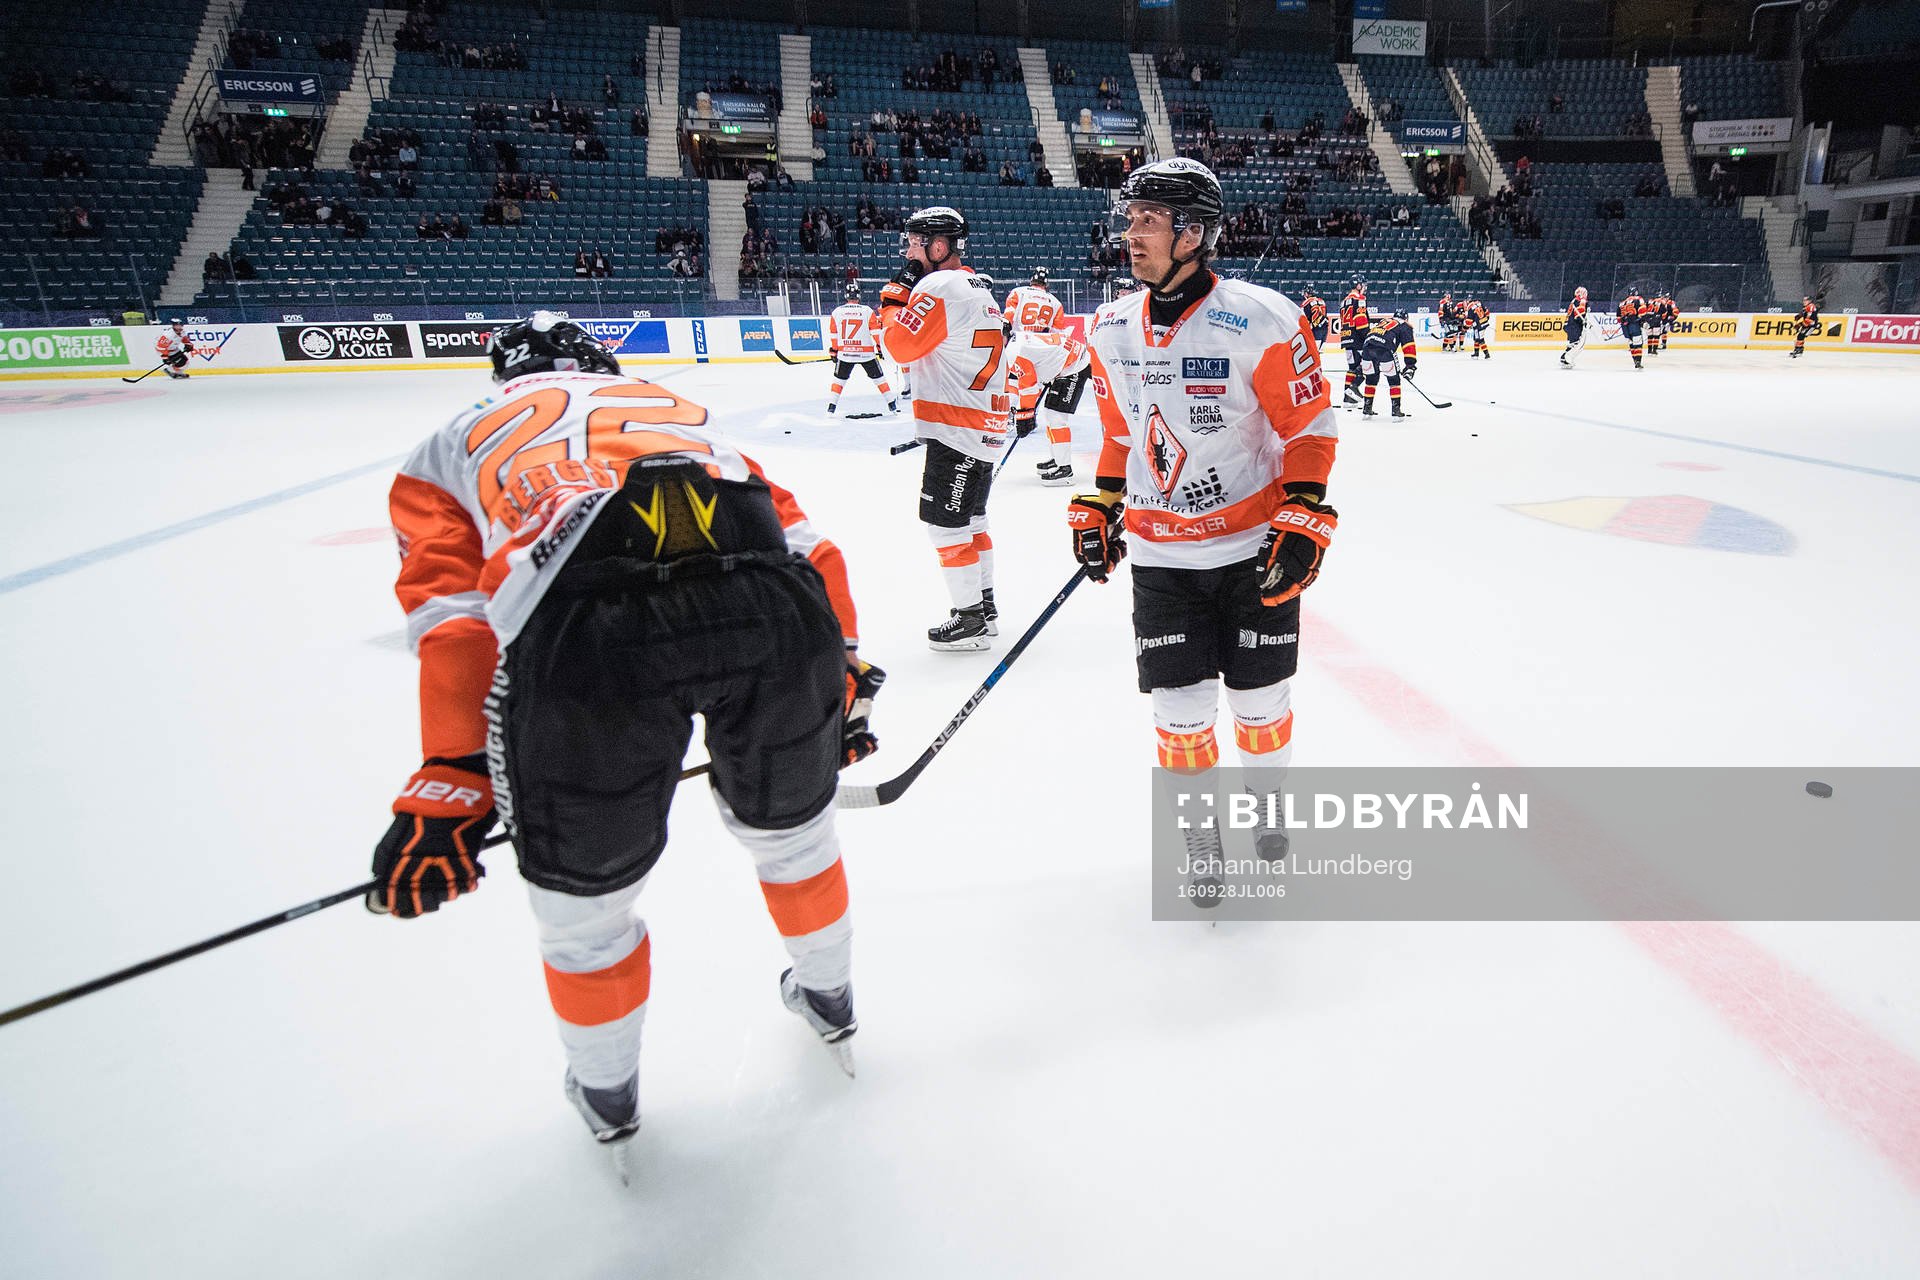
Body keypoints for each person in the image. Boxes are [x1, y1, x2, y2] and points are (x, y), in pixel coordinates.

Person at [371, 313, 883, 1162]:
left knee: (584, 910)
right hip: (771, 606)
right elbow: (811, 549)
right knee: (796, 837)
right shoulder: (672, 407)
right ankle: (832, 999)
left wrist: (453, 774)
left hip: (587, 628)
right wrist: (845, 676)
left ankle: (607, 1091)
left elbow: (454, 621)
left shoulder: (448, 441)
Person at [1069, 157, 1338, 873]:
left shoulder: (1261, 318)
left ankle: (1267, 802)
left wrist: (1305, 510)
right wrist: (1103, 500)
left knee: (1260, 702)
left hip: (1252, 550)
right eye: (1131, 219)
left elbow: (1309, 430)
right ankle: (1200, 832)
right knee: (1179, 712)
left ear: (1192, 234)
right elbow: (1121, 435)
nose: (1132, 234)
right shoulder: (1110, 328)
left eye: (1149, 221)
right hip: (1162, 556)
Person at [877, 206, 1083, 650]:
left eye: (913, 243)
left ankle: (969, 618)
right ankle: (983, 610)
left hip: (956, 426)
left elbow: (899, 347)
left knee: (945, 527)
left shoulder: (939, 286)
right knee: (972, 521)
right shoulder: (978, 288)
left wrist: (893, 302)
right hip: (983, 425)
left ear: (938, 246)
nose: (908, 252)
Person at [1002, 266, 1074, 485]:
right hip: (1042, 351)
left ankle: (1064, 467)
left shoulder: (1018, 292)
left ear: (1031, 281)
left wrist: (1025, 413)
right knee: (1045, 406)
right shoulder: (1055, 302)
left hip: (1028, 348)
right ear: (1047, 284)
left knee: (1019, 385)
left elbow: (1008, 318)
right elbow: (1058, 335)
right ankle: (1058, 460)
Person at [826, 283, 898, 416]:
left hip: (846, 354)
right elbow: (876, 333)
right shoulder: (867, 311)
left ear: (846, 296)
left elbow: (834, 335)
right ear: (859, 295)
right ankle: (892, 405)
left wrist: (834, 351)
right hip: (866, 354)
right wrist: (880, 349)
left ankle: (831, 407)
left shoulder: (837, 312)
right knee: (880, 379)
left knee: (839, 381)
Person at [1358, 311, 1418, 418]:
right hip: (1384, 349)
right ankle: (1396, 411)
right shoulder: (1405, 325)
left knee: (1371, 379)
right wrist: (1410, 365)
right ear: (1406, 318)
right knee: (1394, 380)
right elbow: (1408, 346)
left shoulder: (1383, 321)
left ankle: (1367, 408)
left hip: (1367, 348)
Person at [1337, 281, 1369, 404]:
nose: (1364, 287)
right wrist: (1367, 336)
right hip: (1357, 338)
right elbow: (1360, 320)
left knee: (1352, 368)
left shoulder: (1344, 301)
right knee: (1368, 364)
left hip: (1346, 337)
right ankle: (1353, 388)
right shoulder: (1360, 298)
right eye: (1363, 284)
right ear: (1358, 285)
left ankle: (1347, 398)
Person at [1617, 285, 1647, 369]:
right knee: (1638, 344)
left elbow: (1619, 318)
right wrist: (1643, 321)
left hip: (1625, 326)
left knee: (1631, 344)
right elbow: (1642, 310)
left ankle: (1635, 360)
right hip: (1634, 324)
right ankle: (1638, 362)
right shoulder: (1639, 299)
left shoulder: (1621, 303)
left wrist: (1625, 320)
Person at [1561, 286, 1589, 369]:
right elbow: (1579, 316)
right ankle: (1566, 359)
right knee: (1575, 343)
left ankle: (1564, 358)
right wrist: (1584, 322)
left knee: (1573, 343)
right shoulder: (1581, 301)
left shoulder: (1574, 300)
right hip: (1574, 326)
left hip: (1569, 324)